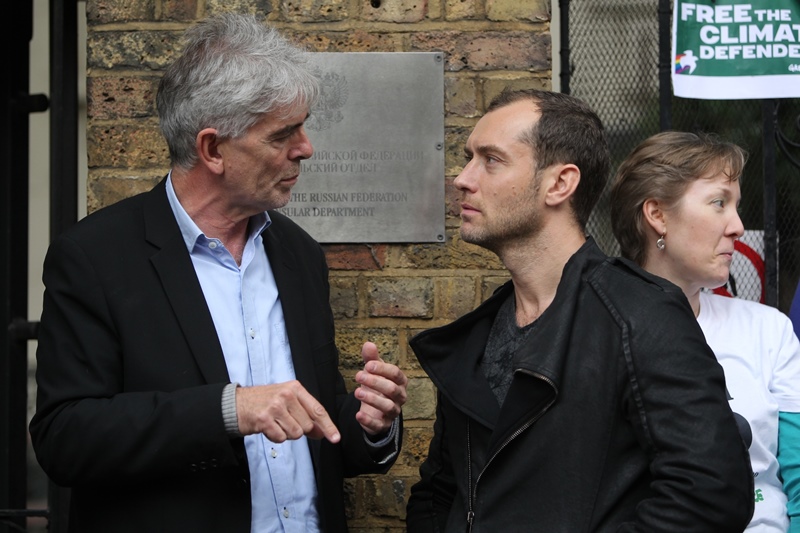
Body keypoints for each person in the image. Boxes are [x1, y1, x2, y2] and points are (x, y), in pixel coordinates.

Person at [29, 13, 407, 533]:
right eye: (283, 134)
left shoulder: (297, 254)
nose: (305, 148)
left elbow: (313, 425)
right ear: (212, 149)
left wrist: (369, 422)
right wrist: (230, 410)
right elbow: (65, 439)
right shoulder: (95, 257)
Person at [405, 89, 754, 532]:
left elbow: (711, 494)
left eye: (491, 160)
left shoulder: (642, 316)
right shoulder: (478, 336)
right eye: (468, 158)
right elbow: (441, 494)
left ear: (559, 184)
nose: (463, 179)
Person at [610, 130, 800, 532]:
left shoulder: (768, 330)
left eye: (736, 206)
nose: (738, 227)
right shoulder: (598, 332)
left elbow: (798, 476)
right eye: (719, 203)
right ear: (657, 215)